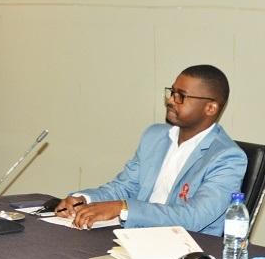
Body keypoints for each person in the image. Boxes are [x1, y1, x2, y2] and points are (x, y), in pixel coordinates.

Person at [55, 65, 247, 235]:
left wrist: (123, 208)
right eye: (171, 92)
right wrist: (84, 199)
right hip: (134, 235)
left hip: (188, 247)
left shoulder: (227, 157)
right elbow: (125, 187)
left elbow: (194, 217)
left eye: (181, 96)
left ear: (210, 108)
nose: (171, 100)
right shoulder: (154, 136)